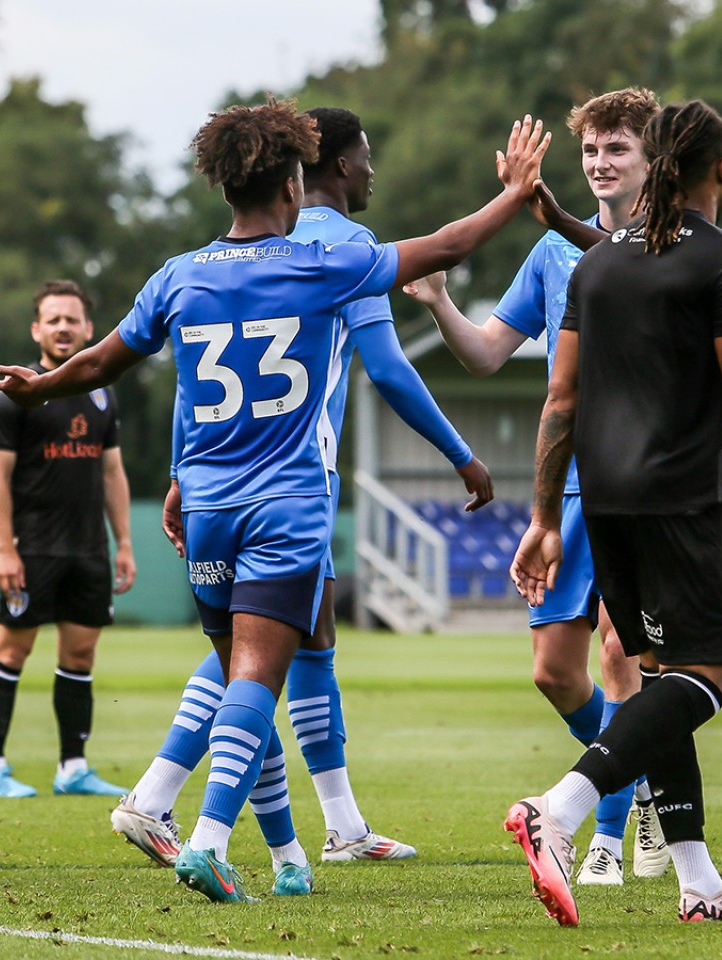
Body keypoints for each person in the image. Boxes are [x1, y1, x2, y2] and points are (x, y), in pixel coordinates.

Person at [0, 96, 550, 902]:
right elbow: (449, 245)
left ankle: (283, 851)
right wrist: (516, 193)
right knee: (256, 680)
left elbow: (100, 364)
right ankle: (211, 839)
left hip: (207, 504)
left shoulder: (177, 277)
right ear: (293, 184)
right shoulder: (321, 264)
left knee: (235, 675)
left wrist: (38, 383)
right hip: (286, 502)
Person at [110, 106, 494, 879]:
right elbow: (386, 366)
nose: (372, 169)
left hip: (221, 471)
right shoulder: (347, 247)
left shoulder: (212, 264)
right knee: (258, 657)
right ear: (333, 168)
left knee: (305, 647)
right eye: (367, 155)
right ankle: (161, 796)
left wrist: (183, 471)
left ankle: (327, 831)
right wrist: (461, 454)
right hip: (293, 478)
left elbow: (188, 381)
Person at [505, 99, 722, 927]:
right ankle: (561, 810)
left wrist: (544, 516)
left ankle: (698, 880)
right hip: (680, 501)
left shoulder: (599, 263)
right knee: (700, 683)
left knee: (652, 678)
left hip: (600, 500)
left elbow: (560, 399)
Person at [407, 88, 665, 885]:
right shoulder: (551, 255)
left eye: (617, 148)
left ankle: (601, 840)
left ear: (653, 158)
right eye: (591, 149)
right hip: (568, 489)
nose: (600, 161)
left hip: (647, 482)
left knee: (625, 655)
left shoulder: (671, 244)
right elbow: (486, 355)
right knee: (556, 671)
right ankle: (643, 773)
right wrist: (441, 299)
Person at [0, 278, 135, 798]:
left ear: (89, 328)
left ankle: (73, 767)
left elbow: (113, 474)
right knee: (12, 649)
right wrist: (5, 548)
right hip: (34, 549)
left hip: (88, 550)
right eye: (53, 319)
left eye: (72, 319)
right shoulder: (16, 396)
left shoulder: (100, 393)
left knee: (80, 657)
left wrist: (125, 544)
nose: (64, 327)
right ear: (36, 329)